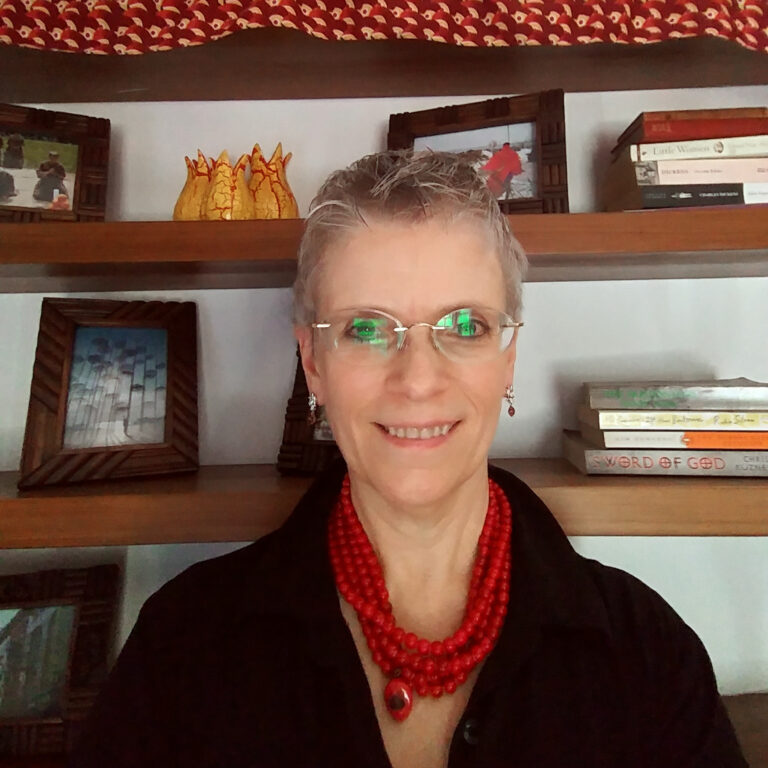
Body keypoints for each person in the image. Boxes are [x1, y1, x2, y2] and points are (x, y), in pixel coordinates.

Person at [71, 150, 746, 768]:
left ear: (507, 356)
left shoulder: (647, 653)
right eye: (367, 328)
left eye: (465, 325)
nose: (418, 379)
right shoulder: (185, 644)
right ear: (313, 363)